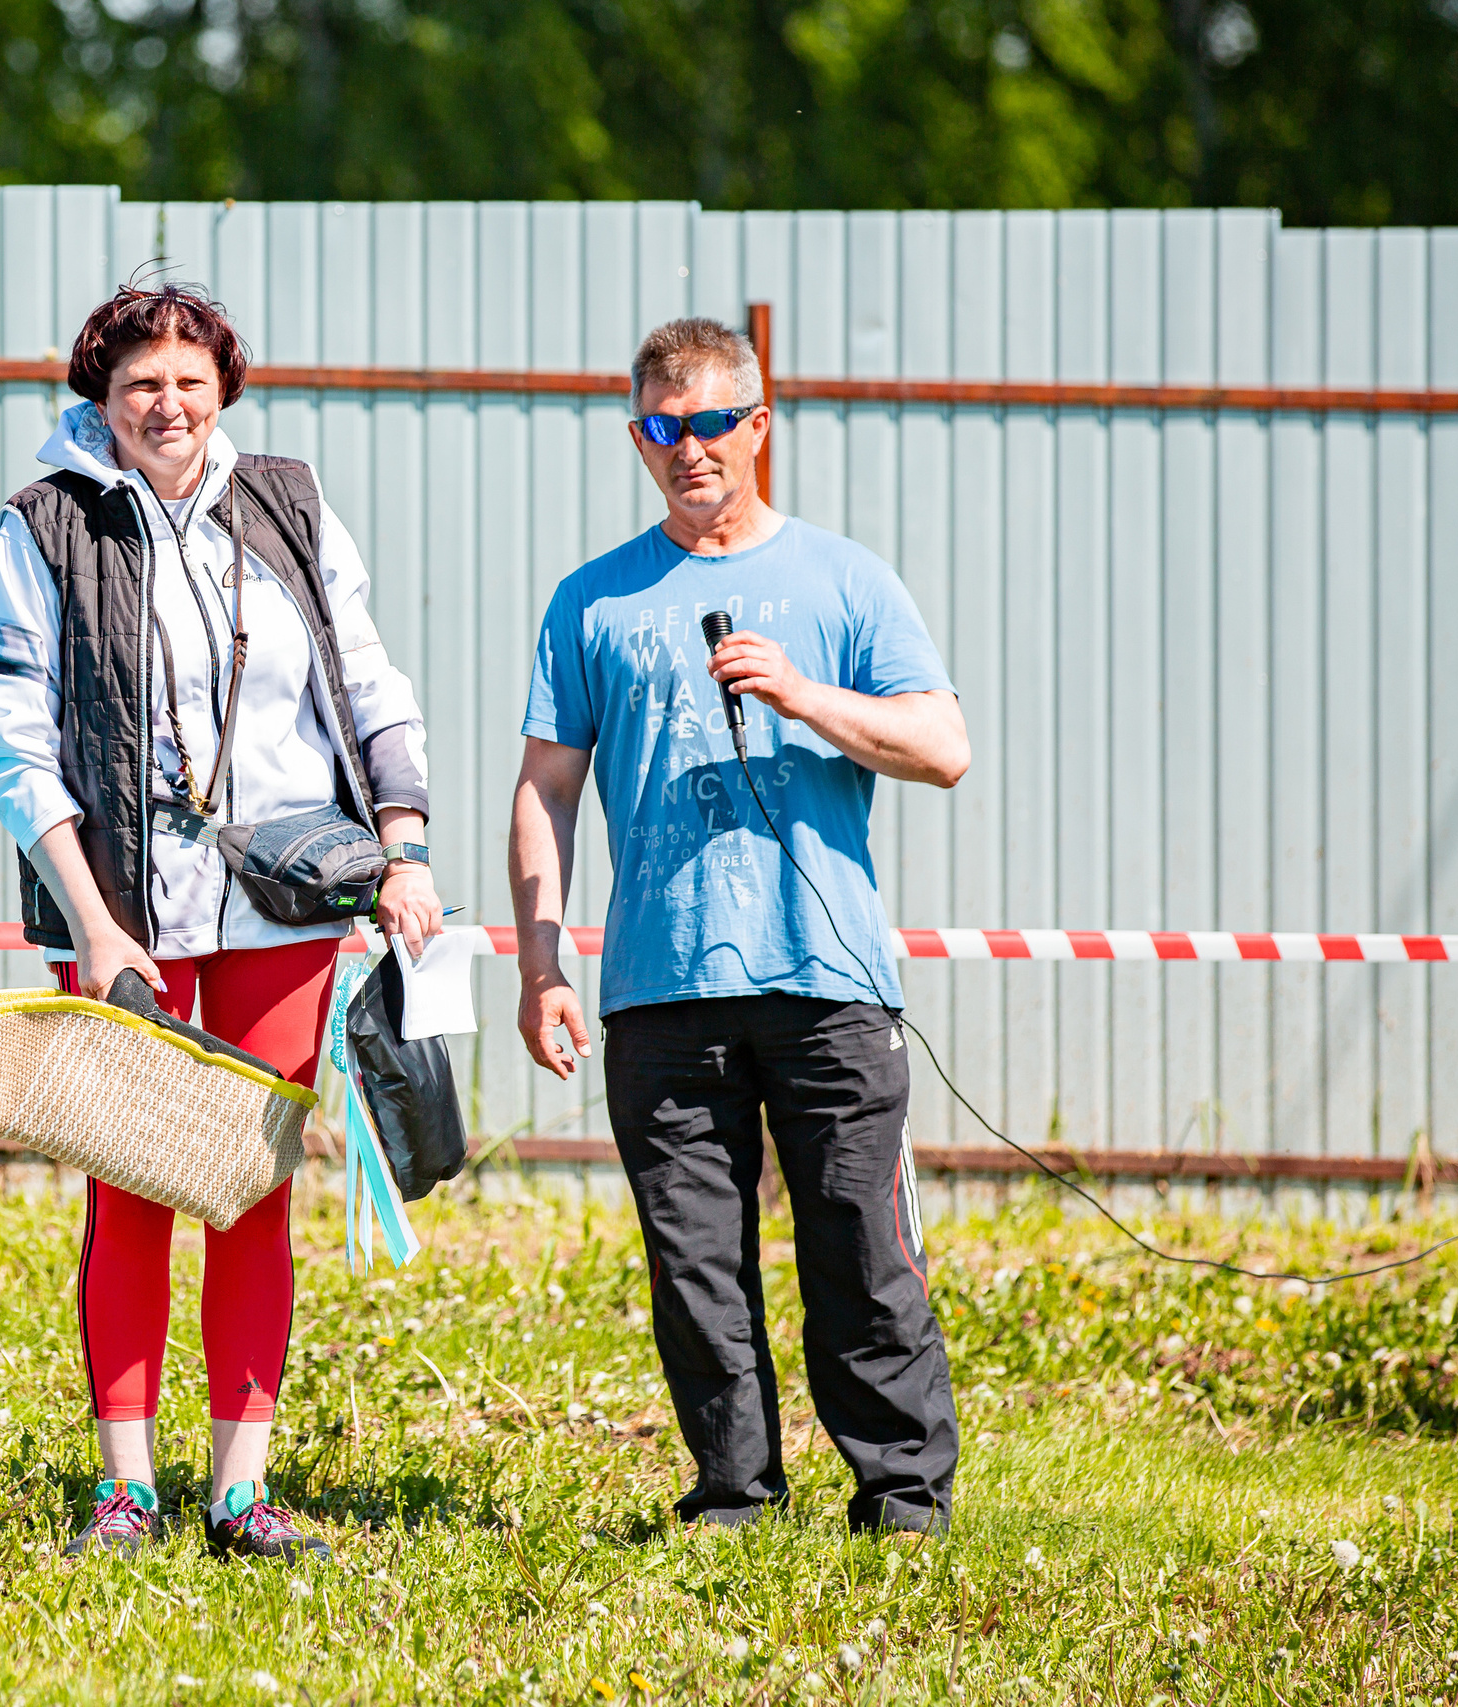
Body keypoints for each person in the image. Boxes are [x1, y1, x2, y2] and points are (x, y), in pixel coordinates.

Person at [0, 282, 442, 1562]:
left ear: (221, 386)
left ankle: (243, 1491)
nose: (164, 405)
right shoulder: (44, 524)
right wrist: (94, 922)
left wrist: (400, 841)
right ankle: (125, 1489)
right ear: (102, 401)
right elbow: (11, 746)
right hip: (123, 912)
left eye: (186, 380)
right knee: (128, 1193)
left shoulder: (286, 501)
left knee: (250, 1193)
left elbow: (367, 678)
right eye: (138, 386)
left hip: (285, 903)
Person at [508, 317, 972, 1536]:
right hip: (657, 988)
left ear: (758, 426)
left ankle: (901, 1495)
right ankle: (734, 1498)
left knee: (856, 1251)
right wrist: (542, 964)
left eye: (713, 421)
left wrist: (803, 695)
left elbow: (943, 748)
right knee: (695, 1268)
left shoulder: (843, 579)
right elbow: (543, 791)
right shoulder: (590, 600)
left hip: (826, 980)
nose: (690, 448)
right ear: (636, 437)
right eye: (664, 427)